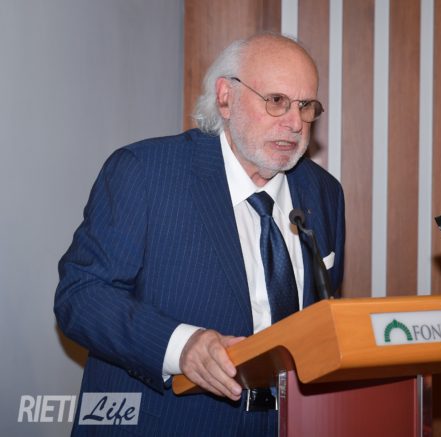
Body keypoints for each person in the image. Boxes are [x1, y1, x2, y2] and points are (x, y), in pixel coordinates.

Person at [54, 33, 345, 436]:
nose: (295, 123)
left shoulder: (324, 193)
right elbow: (81, 296)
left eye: (305, 106)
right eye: (277, 101)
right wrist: (182, 347)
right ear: (225, 97)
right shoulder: (145, 172)